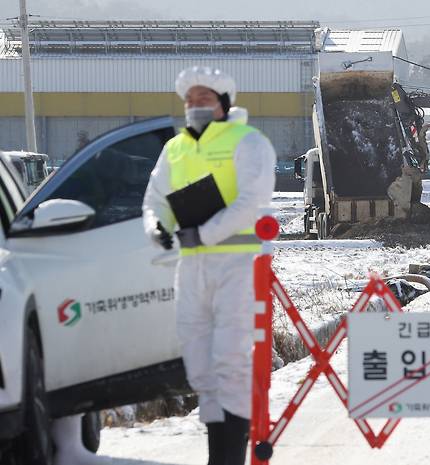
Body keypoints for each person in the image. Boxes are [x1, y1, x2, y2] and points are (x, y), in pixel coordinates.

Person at [142, 66, 276, 465]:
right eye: (189, 100)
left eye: (204, 99)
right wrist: (156, 227)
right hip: (192, 267)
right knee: (199, 365)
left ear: (223, 103)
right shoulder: (175, 148)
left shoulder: (248, 141)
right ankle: (217, 452)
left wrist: (206, 232)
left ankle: (228, 458)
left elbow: (251, 201)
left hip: (237, 264)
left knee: (230, 362)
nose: (195, 106)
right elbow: (155, 198)